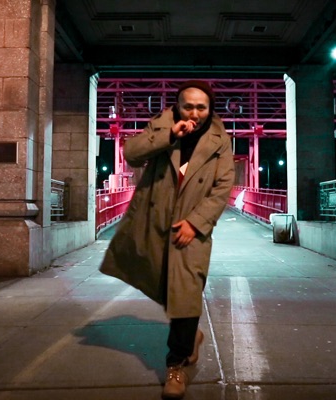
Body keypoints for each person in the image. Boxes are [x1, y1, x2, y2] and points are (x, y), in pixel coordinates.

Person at [99, 80, 235, 399]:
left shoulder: (219, 140)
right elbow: (132, 154)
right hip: (155, 222)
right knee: (164, 286)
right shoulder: (162, 125)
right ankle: (190, 335)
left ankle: (176, 364)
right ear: (177, 106)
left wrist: (197, 223)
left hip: (191, 229)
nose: (194, 113)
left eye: (201, 107)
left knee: (186, 294)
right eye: (188, 106)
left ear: (210, 109)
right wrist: (170, 135)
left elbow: (223, 186)